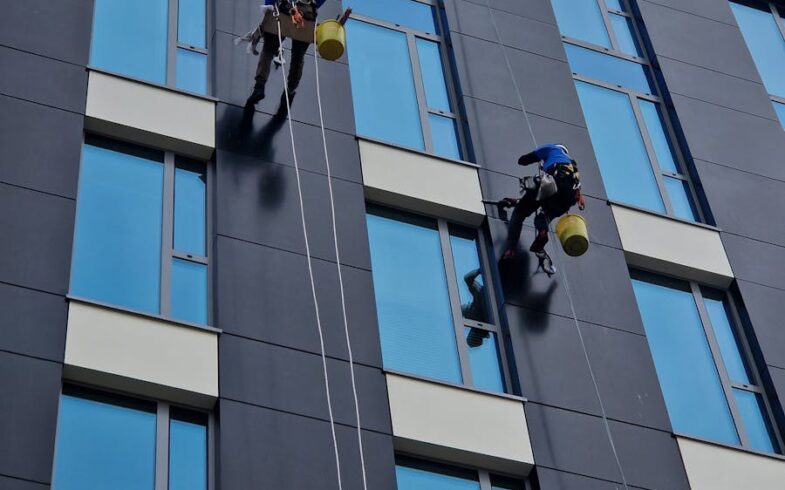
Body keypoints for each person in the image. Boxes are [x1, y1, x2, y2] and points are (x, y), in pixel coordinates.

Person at [500, 144, 585, 262]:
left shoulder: (552, 149)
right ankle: (542, 231)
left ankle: (510, 249)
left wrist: (539, 158)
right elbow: (576, 193)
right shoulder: (573, 166)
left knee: (519, 213)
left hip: (552, 182)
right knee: (543, 217)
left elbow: (523, 161)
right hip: (568, 196)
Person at [245, 0, 327, 107]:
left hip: (286, 7)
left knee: (268, 49)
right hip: (307, 13)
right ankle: (290, 90)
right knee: (298, 56)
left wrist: (268, 6)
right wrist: (314, 4)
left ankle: (259, 87)